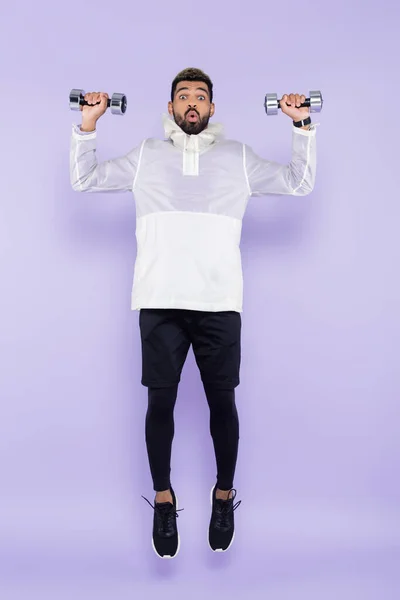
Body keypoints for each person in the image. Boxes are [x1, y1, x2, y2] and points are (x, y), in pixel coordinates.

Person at [69, 67, 318, 559]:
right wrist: (89, 123)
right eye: (182, 96)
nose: (191, 103)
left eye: (200, 97)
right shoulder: (145, 155)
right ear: (170, 108)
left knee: (222, 406)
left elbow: (300, 183)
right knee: (159, 406)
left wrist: (301, 125)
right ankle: (164, 499)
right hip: (159, 301)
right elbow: (84, 180)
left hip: (219, 304)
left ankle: (222, 495)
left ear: (210, 109)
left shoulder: (238, 158)